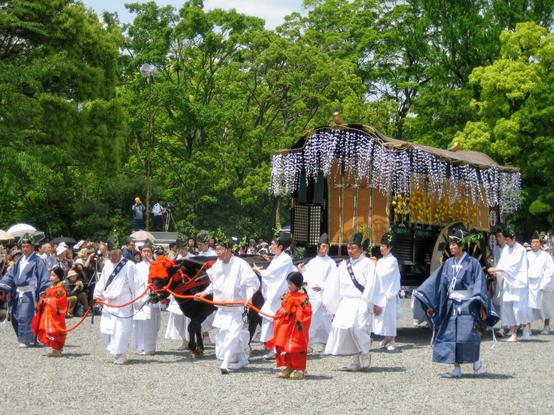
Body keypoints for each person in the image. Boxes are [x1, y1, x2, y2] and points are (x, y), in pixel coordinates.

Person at [414, 228, 498, 378]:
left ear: (462, 246)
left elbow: (479, 284)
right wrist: (432, 304)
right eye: (451, 244)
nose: (452, 247)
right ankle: (456, 368)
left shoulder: (473, 263)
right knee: (451, 336)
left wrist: (481, 305)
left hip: (468, 304)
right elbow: (437, 283)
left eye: (455, 245)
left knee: (468, 335)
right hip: (451, 305)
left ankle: (477, 364)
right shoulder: (447, 263)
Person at [195, 236, 259, 374]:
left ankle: (226, 363)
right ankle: (242, 359)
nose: (218, 252)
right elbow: (214, 285)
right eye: (217, 249)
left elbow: (250, 283)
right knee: (224, 336)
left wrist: (249, 297)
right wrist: (204, 293)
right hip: (223, 308)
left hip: (237, 308)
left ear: (229, 250)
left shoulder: (240, 264)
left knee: (233, 335)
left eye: (221, 249)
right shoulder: (217, 265)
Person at [323, 233, 385, 371]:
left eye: (353, 248)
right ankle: (355, 359)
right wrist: (328, 300)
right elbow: (335, 284)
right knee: (345, 329)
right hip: (346, 301)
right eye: (349, 248)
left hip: (362, 300)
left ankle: (365, 352)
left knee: (359, 328)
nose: (350, 251)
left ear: (361, 249)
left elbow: (374, 284)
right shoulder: (344, 265)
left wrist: (376, 303)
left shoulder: (368, 264)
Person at [0, 235, 50, 347]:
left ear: (32, 247)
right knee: (15, 316)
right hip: (17, 292)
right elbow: (10, 275)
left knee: (25, 316)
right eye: (23, 247)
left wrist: (43, 292)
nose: (24, 249)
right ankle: (24, 337)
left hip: (29, 293)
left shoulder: (38, 261)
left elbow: (44, 277)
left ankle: (26, 339)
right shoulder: (19, 261)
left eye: (27, 247)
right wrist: (5, 287)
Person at [252, 234, 296, 360]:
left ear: (280, 246)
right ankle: (273, 349)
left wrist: (259, 271)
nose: (270, 246)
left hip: (280, 296)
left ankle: (280, 349)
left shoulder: (285, 259)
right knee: (269, 323)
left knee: (277, 323)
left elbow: (271, 274)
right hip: (273, 295)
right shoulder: (278, 258)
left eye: (273, 244)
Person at [93, 244, 136, 364]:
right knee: (105, 328)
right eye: (109, 255)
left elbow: (134, 284)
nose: (111, 257)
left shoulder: (129, 265)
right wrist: (97, 295)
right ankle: (113, 349)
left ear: (120, 253)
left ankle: (121, 353)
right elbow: (102, 281)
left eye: (113, 255)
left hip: (123, 301)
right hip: (108, 301)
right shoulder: (107, 264)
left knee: (121, 329)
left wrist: (136, 301)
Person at [266, 271, 312, 380]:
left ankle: (300, 369)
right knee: (284, 345)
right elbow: (283, 307)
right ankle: (289, 366)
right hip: (287, 326)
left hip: (296, 327)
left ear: (297, 283)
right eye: (288, 283)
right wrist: (283, 310)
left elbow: (306, 311)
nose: (289, 286)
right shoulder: (288, 295)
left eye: (291, 283)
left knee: (296, 346)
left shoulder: (303, 297)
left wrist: (294, 310)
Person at [488, 229, 530, 341]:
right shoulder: (506, 249)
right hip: (507, 283)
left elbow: (514, 266)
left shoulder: (520, 250)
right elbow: (502, 262)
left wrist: (498, 269)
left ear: (514, 238)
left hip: (518, 284)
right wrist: (496, 272)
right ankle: (513, 334)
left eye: (508, 239)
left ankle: (526, 327)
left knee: (518, 309)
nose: (506, 242)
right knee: (508, 309)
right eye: (505, 239)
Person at [297, 233, 335, 349]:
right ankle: (307, 344)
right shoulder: (312, 262)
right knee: (311, 320)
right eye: (323, 246)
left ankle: (329, 344)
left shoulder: (331, 263)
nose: (325, 249)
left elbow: (333, 280)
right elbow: (307, 277)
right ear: (318, 246)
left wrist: (322, 287)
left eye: (327, 247)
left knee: (326, 321)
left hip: (324, 295)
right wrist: (301, 271)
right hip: (313, 295)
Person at [372, 231, 401, 351]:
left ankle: (392, 340)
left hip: (389, 293)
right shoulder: (380, 260)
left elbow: (383, 275)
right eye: (381, 245)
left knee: (389, 316)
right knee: (381, 318)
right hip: (381, 293)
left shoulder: (392, 261)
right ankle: (387, 337)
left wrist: (372, 266)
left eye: (384, 246)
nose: (381, 248)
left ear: (390, 248)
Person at [132, 241, 161, 355]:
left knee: (152, 323)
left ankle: (150, 347)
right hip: (140, 296)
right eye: (144, 251)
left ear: (151, 253)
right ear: (141, 253)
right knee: (140, 323)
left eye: (148, 251)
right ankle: (141, 346)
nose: (146, 253)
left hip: (152, 296)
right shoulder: (136, 266)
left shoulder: (156, 265)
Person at [32, 267, 67, 357]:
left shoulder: (60, 289)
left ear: (59, 277)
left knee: (56, 330)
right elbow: (47, 297)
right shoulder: (51, 287)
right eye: (51, 275)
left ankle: (57, 349)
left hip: (55, 314)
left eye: (53, 275)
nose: (51, 277)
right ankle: (54, 348)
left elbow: (59, 301)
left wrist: (47, 300)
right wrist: (42, 300)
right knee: (47, 329)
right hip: (48, 313)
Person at [527, 234, 554, 334]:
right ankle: (528, 327)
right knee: (528, 306)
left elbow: (550, 271)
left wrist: (544, 283)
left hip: (542, 283)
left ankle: (546, 326)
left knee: (545, 305)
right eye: (533, 242)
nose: (535, 244)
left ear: (540, 244)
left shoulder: (546, 256)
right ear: (530, 244)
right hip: (530, 283)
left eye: (537, 242)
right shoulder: (527, 255)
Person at [488, 227, 508, 337]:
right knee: (499, 302)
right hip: (498, 278)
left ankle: (503, 327)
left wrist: (497, 270)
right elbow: (495, 262)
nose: (498, 239)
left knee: (506, 302)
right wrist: (493, 270)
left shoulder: (509, 250)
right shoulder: (496, 249)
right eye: (497, 237)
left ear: (505, 238)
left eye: (500, 236)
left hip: (507, 279)